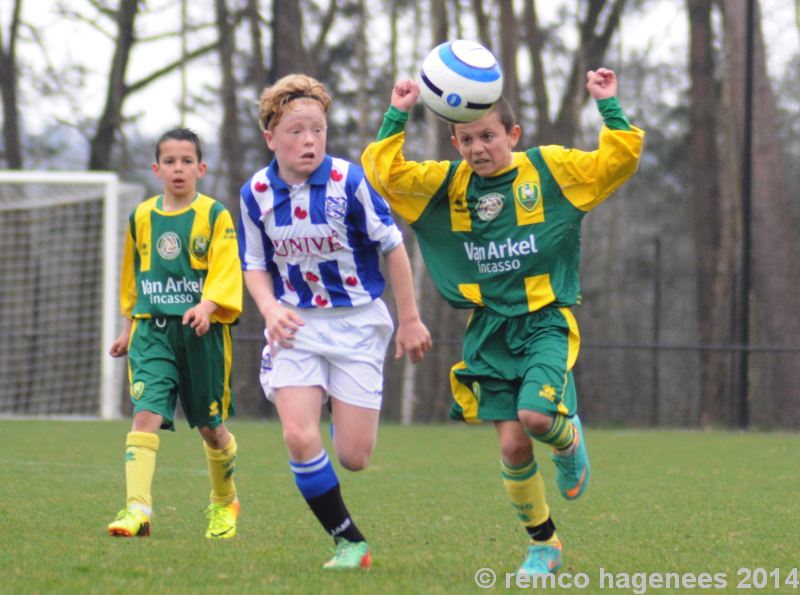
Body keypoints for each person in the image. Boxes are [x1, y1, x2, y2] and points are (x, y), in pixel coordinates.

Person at [361, 68, 644, 574]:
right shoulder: (448, 186)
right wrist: (397, 113)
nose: (477, 147)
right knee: (513, 445)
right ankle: (544, 544)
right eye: (466, 139)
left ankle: (569, 439)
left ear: (512, 135)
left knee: (537, 419)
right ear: (455, 141)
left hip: (545, 322)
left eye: (488, 135)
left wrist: (607, 105)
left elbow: (616, 161)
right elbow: (385, 174)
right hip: (488, 330)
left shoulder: (550, 171)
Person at [238, 74, 432, 570]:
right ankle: (350, 542)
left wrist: (409, 320)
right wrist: (269, 307)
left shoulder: (349, 181)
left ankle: (332, 397)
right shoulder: (255, 192)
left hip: (358, 325)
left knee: (354, 456)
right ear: (270, 138)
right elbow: (254, 264)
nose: (309, 141)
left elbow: (394, 248)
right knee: (299, 436)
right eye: (297, 131)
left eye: (318, 130)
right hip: (296, 326)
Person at [107, 128, 243, 540]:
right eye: (170, 161)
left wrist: (207, 305)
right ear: (156, 169)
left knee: (211, 428)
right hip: (152, 332)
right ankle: (138, 510)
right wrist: (130, 327)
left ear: (201, 169)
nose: (178, 168)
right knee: (144, 415)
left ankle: (224, 503)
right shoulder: (141, 217)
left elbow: (226, 269)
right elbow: (135, 276)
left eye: (187, 161)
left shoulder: (214, 215)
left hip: (201, 335)